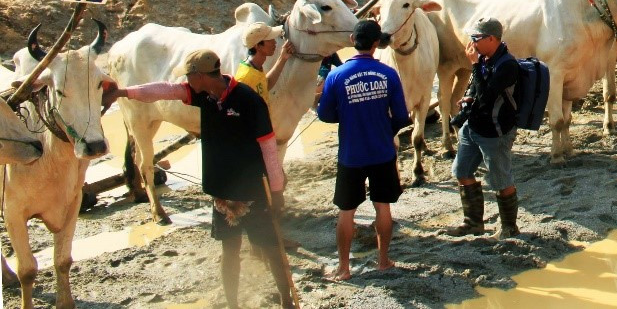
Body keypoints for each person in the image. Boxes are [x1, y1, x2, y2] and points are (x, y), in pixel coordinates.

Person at [115, 50, 295, 308]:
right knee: (230, 250)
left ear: (200, 75)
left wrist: (276, 191)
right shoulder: (203, 95)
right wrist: (123, 93)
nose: (185, 82)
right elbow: (164, 90)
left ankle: (286, 300)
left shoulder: (248, 100)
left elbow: (268, 146)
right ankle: (233, 304)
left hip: (254, 191)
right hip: (222, 193)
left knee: (270, 247)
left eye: (189, 76)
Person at [317, 19, 410, 281]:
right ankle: (383, 260)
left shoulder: (336, 75)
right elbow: (402, 116)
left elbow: (324, 114)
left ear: (351, 42)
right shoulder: (389, 74)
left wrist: (348, 117)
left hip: (351, 153)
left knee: (346, 211)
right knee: (383, 207)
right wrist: (385, 129)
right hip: (382, 150)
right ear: (375, 43)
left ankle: (343, 268)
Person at [450, 18, 522, 237]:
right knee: (461, 171)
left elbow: (487, 96)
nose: (472, 43)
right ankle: (473, 223)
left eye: (476, 38)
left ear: (492, 38)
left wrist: (473, 65)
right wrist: (468, 99)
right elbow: (477, 91)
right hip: (473, 127)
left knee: (501, 180)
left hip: (495, 131)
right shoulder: (484, 59)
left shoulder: (507, 64)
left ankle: (509, 227)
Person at [235, 24, 294, 106]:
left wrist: (283, 58)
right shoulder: (245, 78)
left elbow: (265, 86)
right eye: (270, 39)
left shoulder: (255, 67)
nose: (275, 42)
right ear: (258, 46)